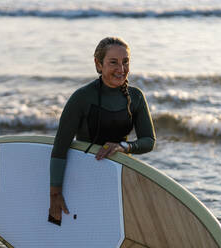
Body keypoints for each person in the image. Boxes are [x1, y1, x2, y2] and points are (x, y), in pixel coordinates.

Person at [48, 37, 156, 226]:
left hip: (118, 177)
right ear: (99, 64)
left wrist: (124, 146)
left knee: (111, 229)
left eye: (125, 62)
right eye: (113, 62)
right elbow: (60, 148)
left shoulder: (136, 97)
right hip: (83, 176)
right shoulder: (81, 97)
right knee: (79, 229)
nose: (121, 69)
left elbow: (149, 141)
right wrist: (55, 194)